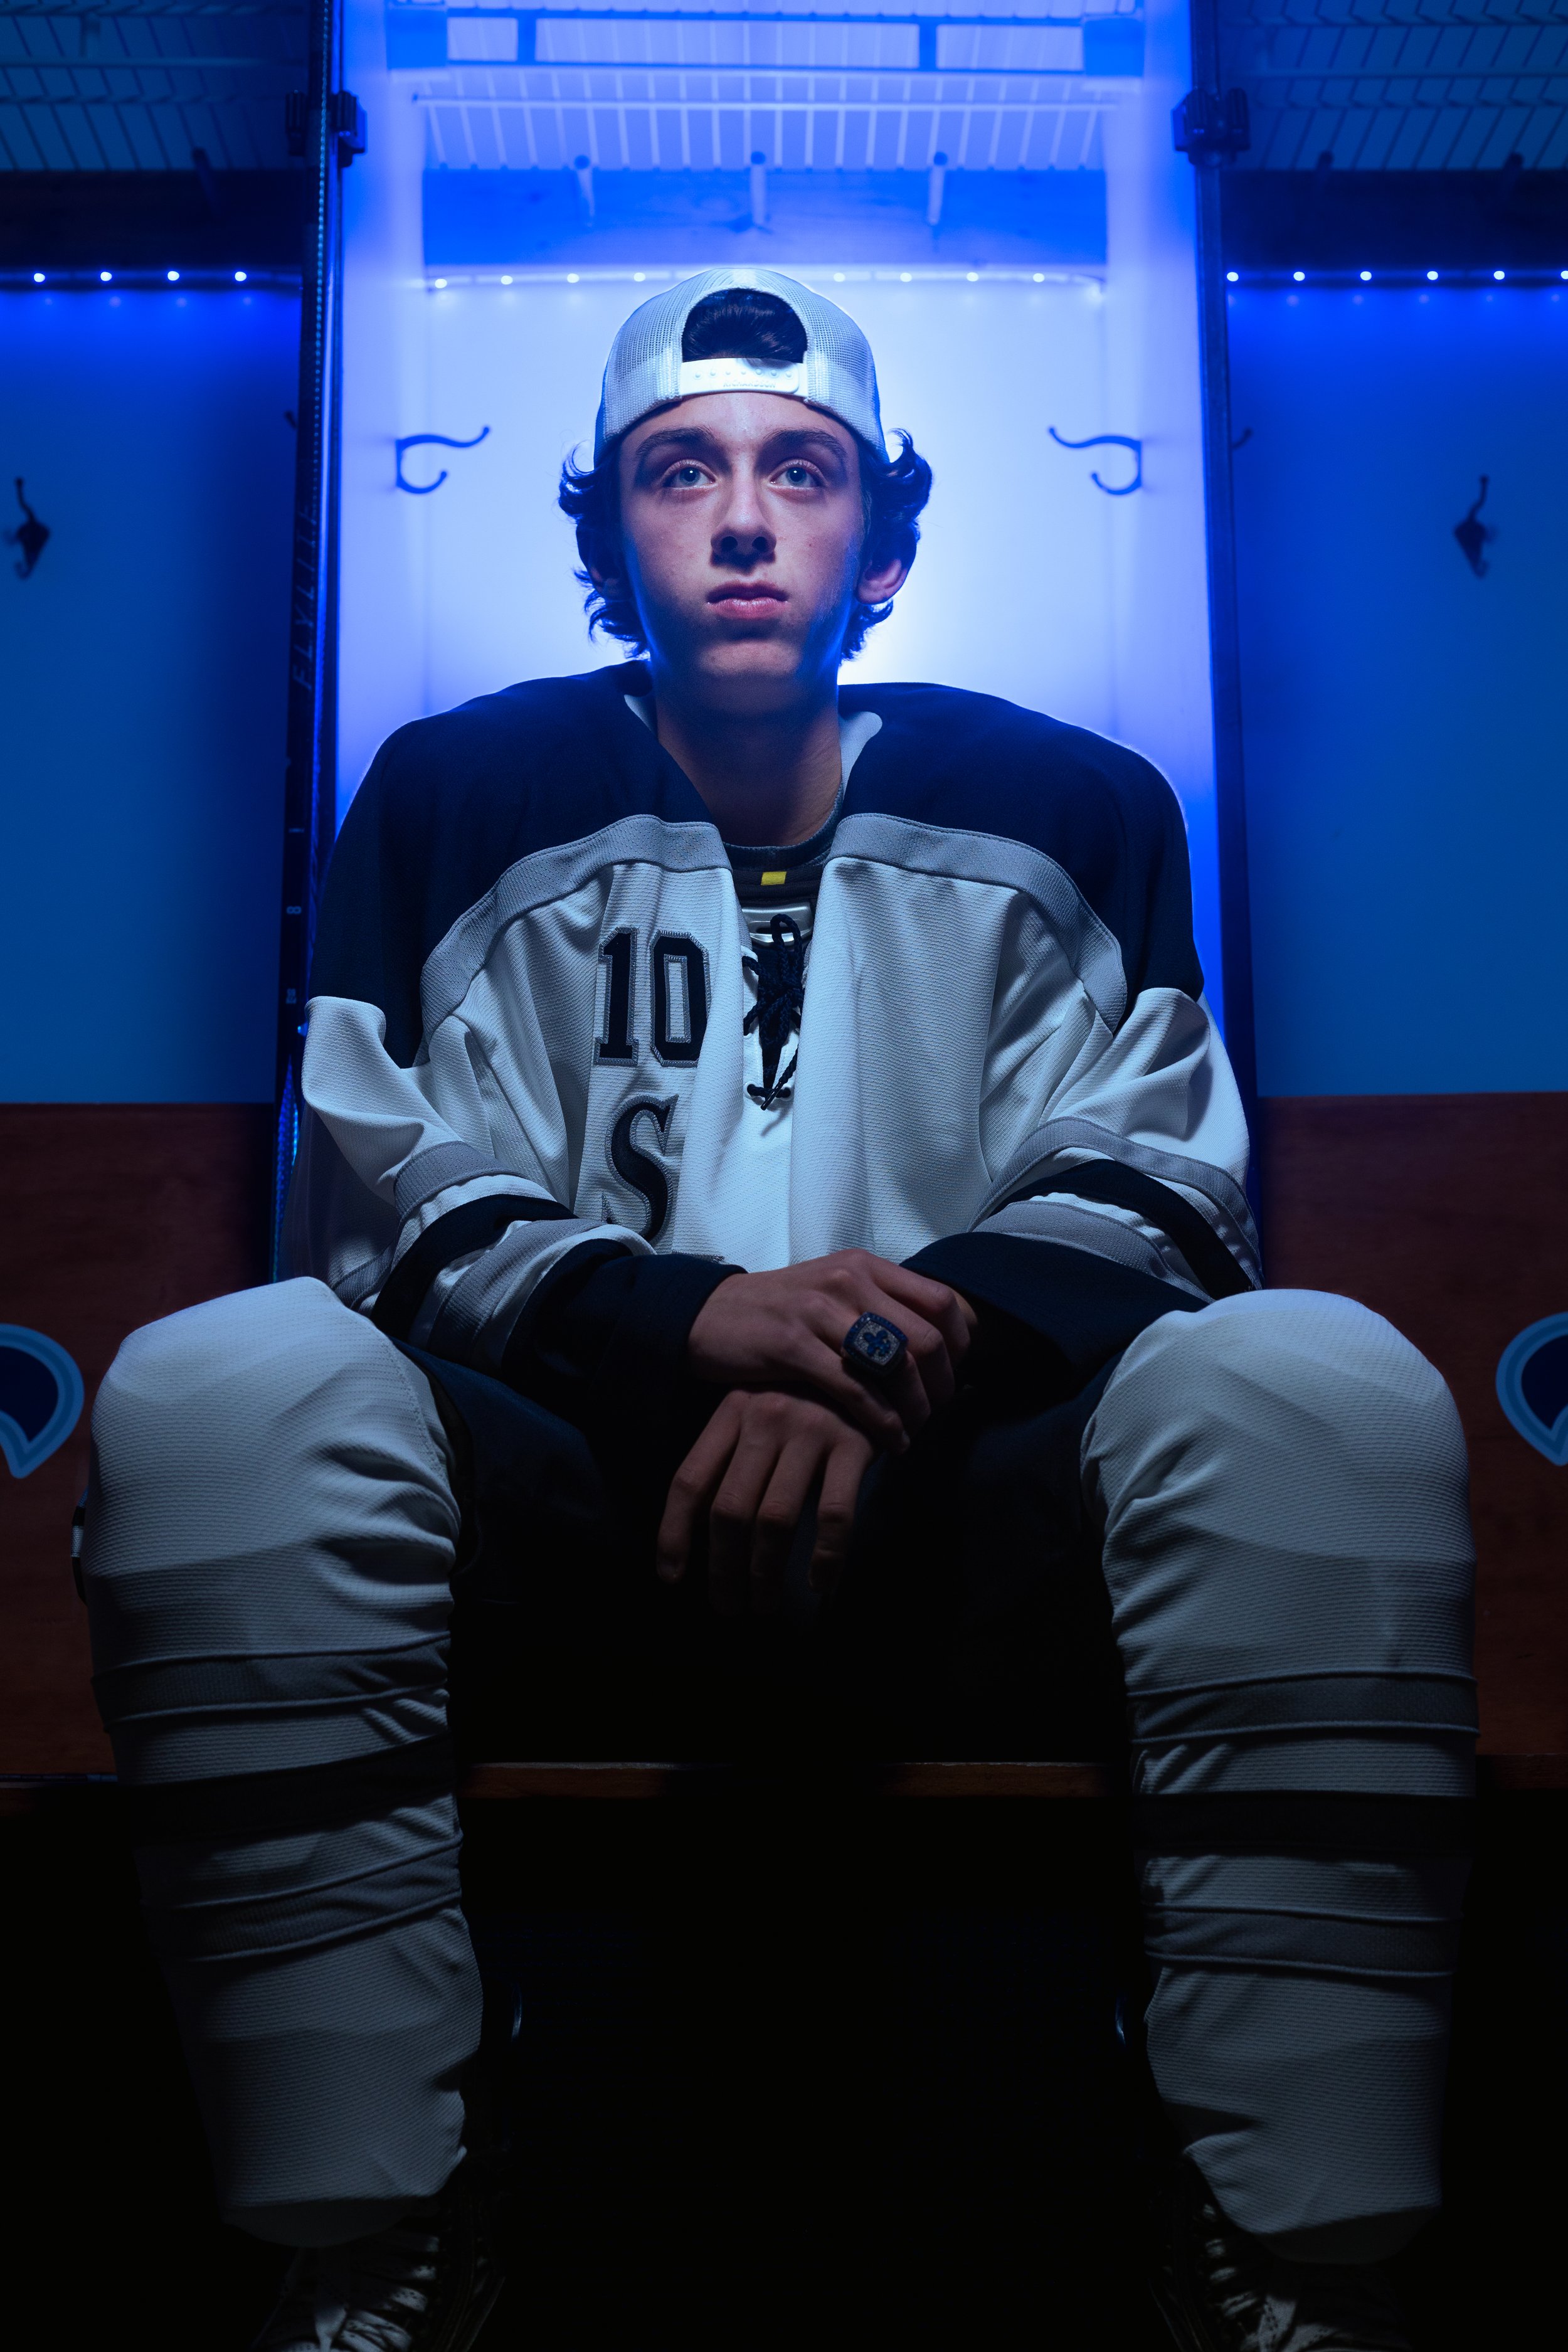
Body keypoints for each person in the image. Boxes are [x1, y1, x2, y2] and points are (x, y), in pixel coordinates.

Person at [82, 267, 1476, 2352]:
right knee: (216, 1379)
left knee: (1320, 1375)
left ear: (883, 545)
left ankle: (1294, 2247)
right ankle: (366, 2223)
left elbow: (1162, 1191)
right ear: (603, 540)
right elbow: (384, 1187)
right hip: (568, 1523)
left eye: (799, 474)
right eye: (679, 474)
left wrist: (874, 1358)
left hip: (958, 1521)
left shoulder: (1074, 803)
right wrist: (684, 1329)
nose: (741, 521)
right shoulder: (452, 790)